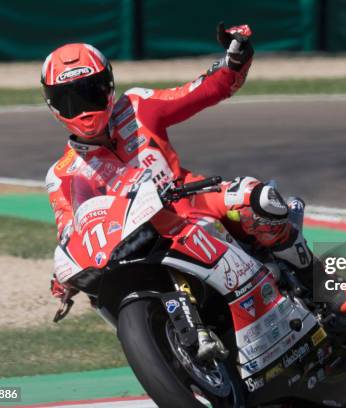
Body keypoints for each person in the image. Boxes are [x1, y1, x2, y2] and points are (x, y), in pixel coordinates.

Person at [43, 24, 314, 359]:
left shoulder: (138, 105)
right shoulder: (62, 175)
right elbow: (70, 230)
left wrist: (234, 61)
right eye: (68, 99)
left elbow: (199, 91)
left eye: (89, 93)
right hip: (141, 243)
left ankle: (320, 286)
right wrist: (63, 276)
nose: (82, 108)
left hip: (195, 201)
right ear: (53, 106)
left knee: (261, 203)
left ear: (108, 87)